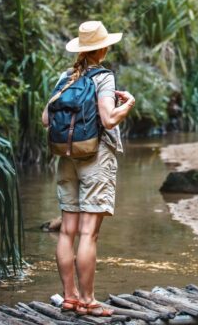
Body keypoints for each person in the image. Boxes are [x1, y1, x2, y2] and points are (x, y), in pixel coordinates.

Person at [41, 21, 135, 317]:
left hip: (66, 156)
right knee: (88, 234)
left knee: (67, 231)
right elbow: (108, 120)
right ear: (103, 48)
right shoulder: (103, 77)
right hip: (95, 157)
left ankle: (69, 298)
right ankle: (89, 301)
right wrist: (128, 105)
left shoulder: (65, 77)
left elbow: (46, 118)